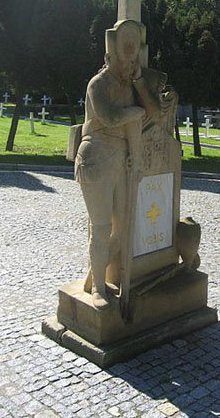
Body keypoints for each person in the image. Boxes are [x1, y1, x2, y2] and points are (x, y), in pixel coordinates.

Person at [75, 19, 159, 310]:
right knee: (100, 228)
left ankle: (93, 271)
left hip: (122, 160)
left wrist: (136, 160)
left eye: (132, 56)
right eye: (124, 56)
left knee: (122, 229)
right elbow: (110, 118)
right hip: (96, 157)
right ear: (109, 56)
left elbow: (150, 115)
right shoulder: (98, 84)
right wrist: (134, 112)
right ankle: (98, 286)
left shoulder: (129, 85)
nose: (129, 62)